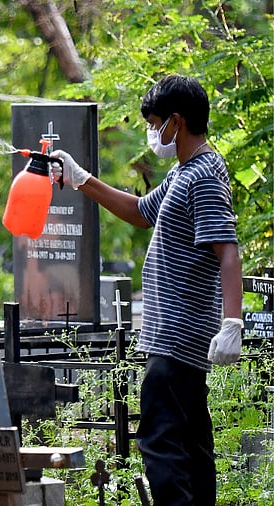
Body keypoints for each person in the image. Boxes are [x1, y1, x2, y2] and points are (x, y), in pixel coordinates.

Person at [50, 74, 243, 505]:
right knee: (191, 447)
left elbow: (227, 251)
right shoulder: (185, 171)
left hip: (178, 338)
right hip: (179, 339)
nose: (151, 133)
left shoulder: (205, 176)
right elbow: (140, 212)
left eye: (155, 123)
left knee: (159, 445)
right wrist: (83, 180)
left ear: (177, 122)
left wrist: (233, 322)